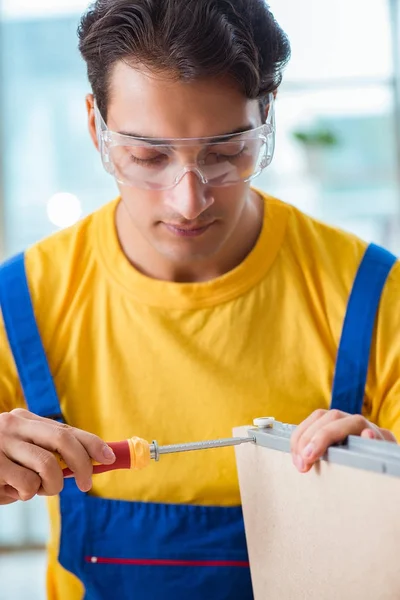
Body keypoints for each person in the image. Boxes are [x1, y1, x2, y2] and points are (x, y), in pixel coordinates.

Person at [0, 0, 399, 598]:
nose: (189, 201)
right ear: (94, 127)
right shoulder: (19, 303)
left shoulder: (375, 299)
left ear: (266, 116)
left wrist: (385, 480)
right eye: (148, 156)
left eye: (223, 153)